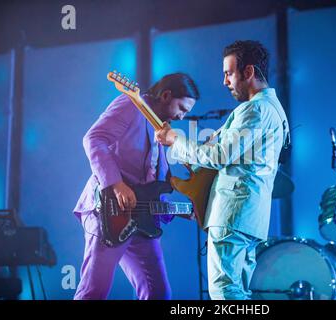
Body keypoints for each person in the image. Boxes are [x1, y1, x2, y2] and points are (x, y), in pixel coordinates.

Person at [155, 40, 290, 300]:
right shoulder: (274, 109)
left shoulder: (256, 109)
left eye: (229, 73)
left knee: (224, 293)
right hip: (249, 217)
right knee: (238, 291)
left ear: (248, 72)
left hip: (232, 214)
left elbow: (219, 156)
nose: (225, 81)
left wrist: (176, 141)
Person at [73, 73, 199, 300]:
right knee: (94, 292)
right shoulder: (131, 104)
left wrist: (184, 211)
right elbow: (93, 138)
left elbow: (150, 187)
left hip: (139, 221)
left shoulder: (160, 128)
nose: (182, 116)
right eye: (182, 108)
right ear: (166, 95)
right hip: (107, 211)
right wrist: (116, 184)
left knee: (158, 293)